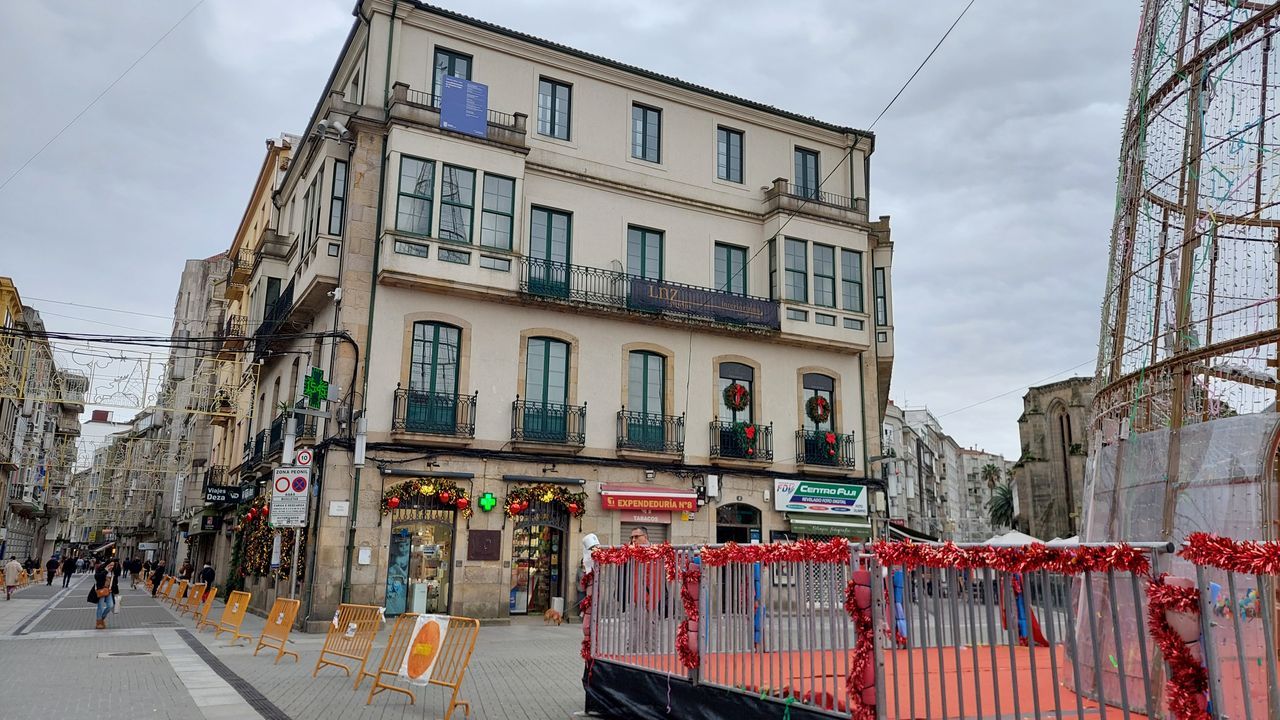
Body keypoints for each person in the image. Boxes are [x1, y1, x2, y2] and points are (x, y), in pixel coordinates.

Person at [90, 560, 115, 629]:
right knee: (100, 607)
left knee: (110, 605)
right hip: (101, 590)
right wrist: (106, 571)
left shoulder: (113, 572)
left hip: (109, 591)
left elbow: (114, 583)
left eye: (113, 565)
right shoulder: (101, 569)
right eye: (110, 565)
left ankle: (101, 618)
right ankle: (99, 622)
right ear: (107, 564)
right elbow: (97, 577)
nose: (111, 566)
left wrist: (116, 591)